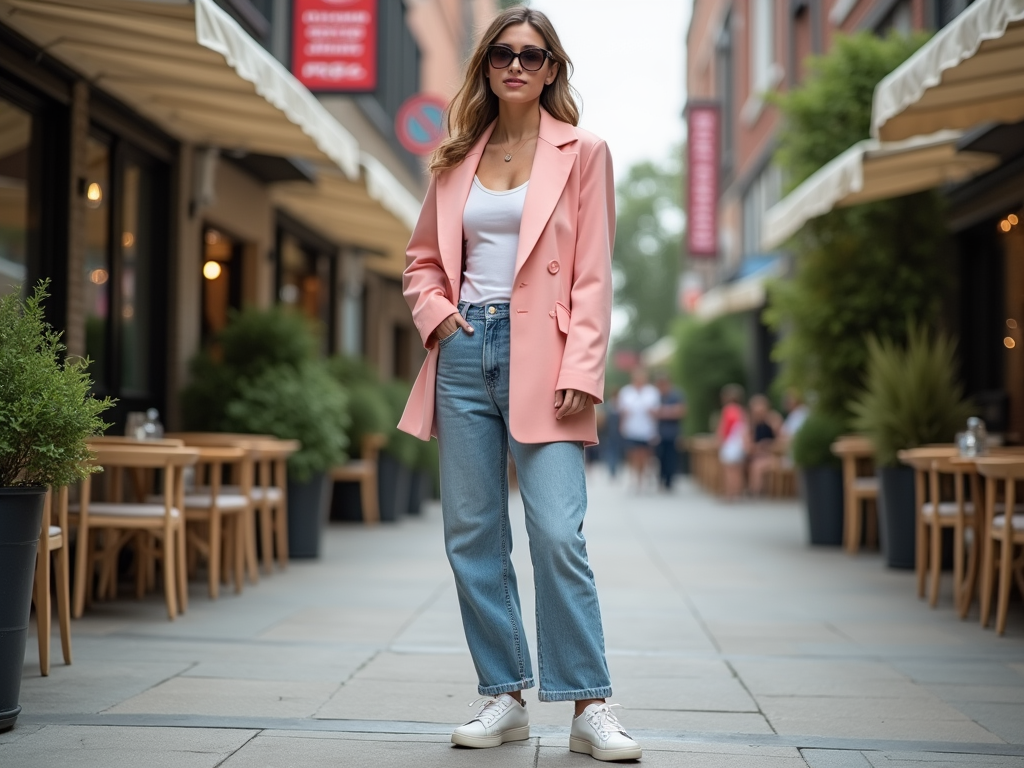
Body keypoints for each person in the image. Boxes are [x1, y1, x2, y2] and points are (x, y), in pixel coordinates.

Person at [397, 7, 640, 762]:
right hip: (466, 351)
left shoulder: (584, 151)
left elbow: (595, 275)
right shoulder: (456, 157)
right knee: (472, 534)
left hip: (549, 355)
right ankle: (503, 695)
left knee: (558, 533)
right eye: (503, 53)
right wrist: (437, 318)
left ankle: (590, 704)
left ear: (552, 69)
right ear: (486, 65)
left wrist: (583, 368)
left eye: (532, 56)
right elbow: (421, 264)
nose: (516, 65)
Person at [617, 368, 661, 491]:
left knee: (645, 455)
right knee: (633, 454)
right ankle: (635, 478)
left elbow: (657, 411)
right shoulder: (626, 391)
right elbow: (621, 411)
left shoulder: (652, 392)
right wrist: (622, 425)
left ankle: (642, 479)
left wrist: (652, 413)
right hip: (631, 429)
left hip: (647, 430)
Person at [653, 372, 686, 490]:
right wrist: (670, 411)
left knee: (671, 457)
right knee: (659, 457)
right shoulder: (656, 395)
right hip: (658, 433)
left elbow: (681, 411)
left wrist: (662, 412)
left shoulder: (676, 394)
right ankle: (661, 479)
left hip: (672, 433)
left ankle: (669, 480)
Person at [717, 384, 747, 501]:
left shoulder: (727, 409)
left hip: (730, 442)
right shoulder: (741, 410)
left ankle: (730, 494)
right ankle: (737, 492)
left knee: (729, 470)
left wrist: (719, 440)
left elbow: (723, 428)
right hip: (739, 442)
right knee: (738, 470)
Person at [746, 394, 779, 496]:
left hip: (773, 455)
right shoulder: (751, 425)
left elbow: (782, 440)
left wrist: (768, 446)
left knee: (757, 466)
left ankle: (754, 491)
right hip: (755, 455)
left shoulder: (773, 421)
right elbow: (748, 446)